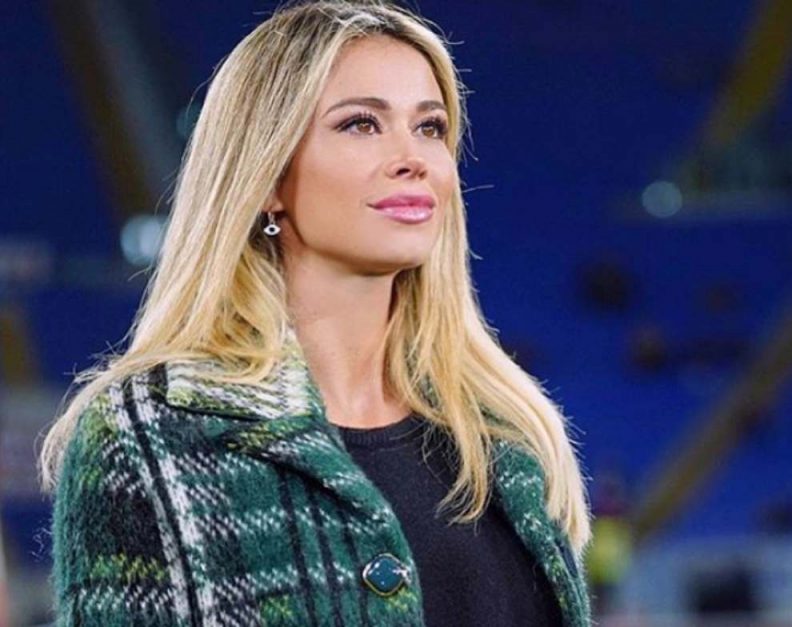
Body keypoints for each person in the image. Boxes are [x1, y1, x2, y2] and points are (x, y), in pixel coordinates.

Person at [38, 2, 593, 625]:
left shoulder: (508, 431)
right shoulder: (148, 430)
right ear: (270, 175)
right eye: (361, 124)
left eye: (431, 127)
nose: (413, 157)